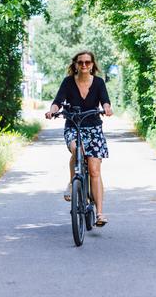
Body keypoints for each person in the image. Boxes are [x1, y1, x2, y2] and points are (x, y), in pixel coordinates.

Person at [45, 50, 113, 226]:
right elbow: (58, 101)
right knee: (77, 148)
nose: (84, 65)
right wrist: (52, 111)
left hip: (94, 128)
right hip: (74, 126)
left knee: (94, 170)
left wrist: (107, 108)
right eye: (80, 62)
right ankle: (71, 182)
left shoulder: (98, 82)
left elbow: (105, 100)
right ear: (75, 64)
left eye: (87, 62)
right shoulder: (68, 82)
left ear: (92, 65)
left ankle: (99, 213)